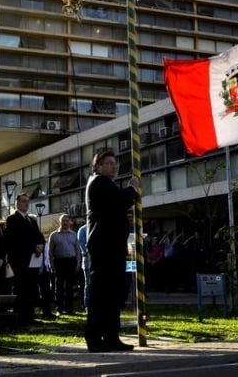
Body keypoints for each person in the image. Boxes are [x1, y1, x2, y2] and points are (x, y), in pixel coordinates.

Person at [84, 150, 139, 352]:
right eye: (108, 163)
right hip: (104, 247)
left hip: (111, 246)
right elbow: (121, 200)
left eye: (115, 163)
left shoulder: (104, 183)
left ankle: (110, 336)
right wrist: (132, 188)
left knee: (112, 293)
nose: (113, 166)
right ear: (97, 166)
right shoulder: (99, 182)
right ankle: (96, 337)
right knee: (103, 293)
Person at [5, 193, 45, 326]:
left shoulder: (32, 220)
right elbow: (17, 240)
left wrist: (40, 246)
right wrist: (34, 247)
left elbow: (39, 236)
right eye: (23, 201)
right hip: (19, 261)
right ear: (17, 203)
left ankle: (30, 316)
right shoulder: (12, 219)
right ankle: (20, 317)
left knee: (31, 289)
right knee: (20, 289)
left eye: (28, 201)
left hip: (33, 261)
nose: (26, 204)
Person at [48, 214, 81, 315]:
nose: (65, 223)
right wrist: (52, 266)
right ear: (60, 222)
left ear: (69, 222)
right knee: (59, 287)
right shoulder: (53, 235)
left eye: (67, 221)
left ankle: (69, 309)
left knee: (70, 287)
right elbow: (50, 253)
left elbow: (77, 251)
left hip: (71, 262)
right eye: (63, 221)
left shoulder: (73, 235)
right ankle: (59, 309)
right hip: (59, 262)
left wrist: (77, 264)